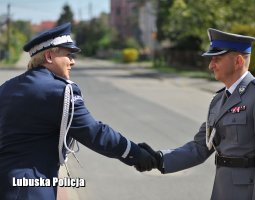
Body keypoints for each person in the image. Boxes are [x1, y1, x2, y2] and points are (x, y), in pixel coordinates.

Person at [0, 22, 156, 200]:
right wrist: (135, 152)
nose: (73, 62)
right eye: (68, 55)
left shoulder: (7, 87)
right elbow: (95, 133)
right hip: (31, 188)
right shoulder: (60, 90)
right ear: (49, 56)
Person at [137, 28, 255, 200]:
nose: (211, 65)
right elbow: (200, 147)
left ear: (238, 61)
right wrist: (158, 159)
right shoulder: (218, 101)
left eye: (217, 58)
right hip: (221, 191)